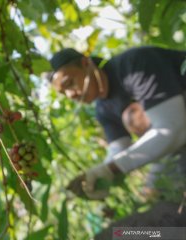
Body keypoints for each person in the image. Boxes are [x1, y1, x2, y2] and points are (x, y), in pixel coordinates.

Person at [49, 46, 186, 199]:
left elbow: (173, 128)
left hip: (178, 128)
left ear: (86, 63)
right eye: (63, 93)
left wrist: (111, 169)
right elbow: (119, 150)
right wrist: (98, 175)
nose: (70, 94)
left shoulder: (133, 65)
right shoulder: (103, 110)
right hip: (178, 138)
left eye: (70, 83)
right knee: (155, 193)